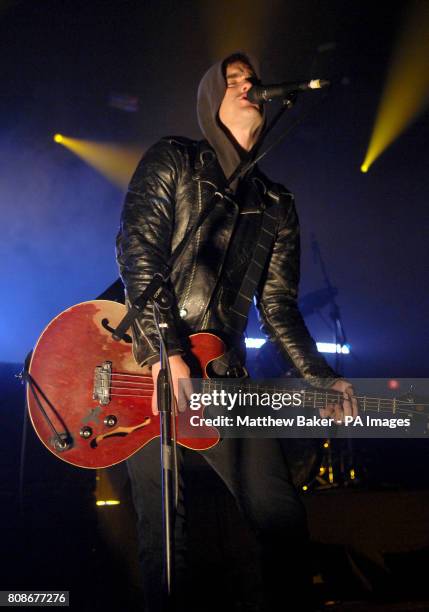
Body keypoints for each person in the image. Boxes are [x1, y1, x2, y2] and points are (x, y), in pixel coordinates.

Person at [116, 52, 357, 612]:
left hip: (225, 377)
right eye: (233, 80)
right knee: (165, 535)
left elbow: (279, 306)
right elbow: (138, 252)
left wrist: (320, 377)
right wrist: (168, 349)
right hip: (150, 362)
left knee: (279, 517)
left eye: (253, 79)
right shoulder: (173, 158)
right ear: (209, 101)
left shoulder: (277, 203)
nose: (249, 85)